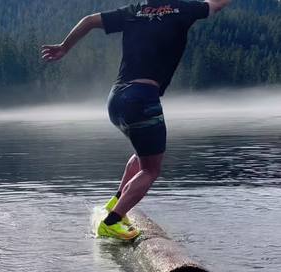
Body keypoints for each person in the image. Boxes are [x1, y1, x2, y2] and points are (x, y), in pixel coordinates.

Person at [42, 0, 231, 241]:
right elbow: (217, 4)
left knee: (143, 153)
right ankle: (113, 221)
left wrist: (63, 47)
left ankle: (115, 202)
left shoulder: (134, 11)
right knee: (151, 169)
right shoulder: (183, 9)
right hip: (143, 99)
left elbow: (89, 21)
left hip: (117, 99)